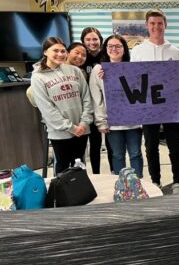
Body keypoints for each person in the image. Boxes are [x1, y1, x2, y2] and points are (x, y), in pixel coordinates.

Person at [130, 9, 179, 193]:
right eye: (152, 23)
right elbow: (132, 79)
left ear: (165, 25)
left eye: (160, 23)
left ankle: (177, 180)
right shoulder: (137, 52)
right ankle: (156, 181)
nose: (156, 27)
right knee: (151, 146)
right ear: (147, 25)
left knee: (174, 145)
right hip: (148, 107)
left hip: (171, 107)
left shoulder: (176, 52)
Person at [31, 37, 93, 175]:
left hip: (82, 129)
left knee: (80, 164)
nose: (60, 54)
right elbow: (47, 109)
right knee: (63, 168)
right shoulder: (38, 77)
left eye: (63, 51)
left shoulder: (74, 71)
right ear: (46, 52)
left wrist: (84, 123)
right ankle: (63, 196)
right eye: (55, 51)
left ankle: (81, 193)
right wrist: (70, 127)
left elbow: (86, 98)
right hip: (60, 132)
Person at [89, 34, 144, 177]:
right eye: (110, 46)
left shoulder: (134, 68)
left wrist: (145, 117)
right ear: (105, 49)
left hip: (134, 122)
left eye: (118, 46)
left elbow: (143, 92)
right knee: (118, 155)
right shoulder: (98, 70)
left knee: (135, 153)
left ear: (124, 49)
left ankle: (138, 184)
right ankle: (122, 185)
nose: (114, 49)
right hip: (112, 123)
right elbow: (97, 99)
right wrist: (101, 121)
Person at [80, 27, 109, 174]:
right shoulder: (81, 58)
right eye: (88, 39)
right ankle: (96, 173)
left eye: (95, 39)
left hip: (108, 105)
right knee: (95, 142)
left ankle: (113, 172)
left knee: (111, 143)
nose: (92, 42)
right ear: (83, 41)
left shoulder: (107, 55)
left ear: (100, 40)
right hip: (88, 106)